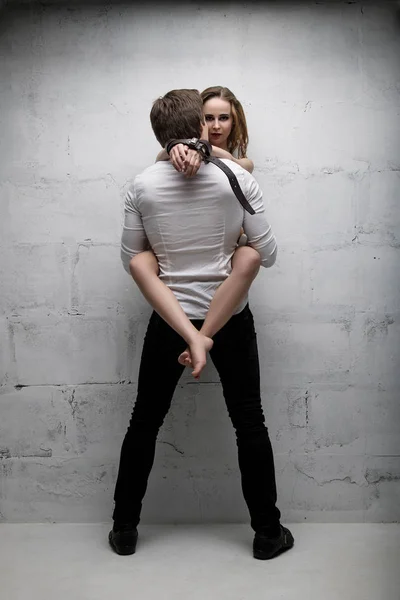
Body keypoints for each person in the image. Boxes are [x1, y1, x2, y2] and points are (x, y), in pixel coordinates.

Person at [109, 89, 294, 560]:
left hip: (169, 317)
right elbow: (267, 255)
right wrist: (232, 244)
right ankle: (268, 535)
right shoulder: (236, 177)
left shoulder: (141, 185)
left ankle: (124, 530)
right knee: (249, 422)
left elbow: (133, 258)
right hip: (227, 318)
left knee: (144, 423)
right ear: (201, 127)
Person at [126, 87, 262, 380]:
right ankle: (200, 338)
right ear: (196, 120)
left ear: (234, 122)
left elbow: (235, 167)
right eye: (207, 118)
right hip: (177, 290)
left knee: (250, 256)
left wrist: (200, 148)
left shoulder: (240, 167)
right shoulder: (166, 165)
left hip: (224, 289)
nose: (215, 126)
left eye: (223, 118)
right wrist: (177, 146)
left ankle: (203, 336)